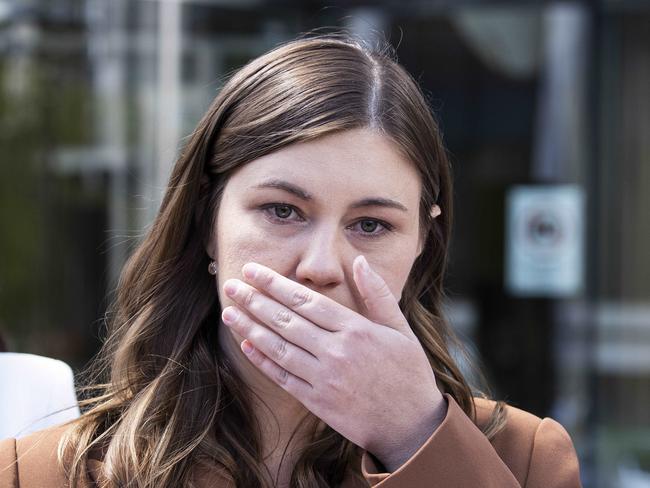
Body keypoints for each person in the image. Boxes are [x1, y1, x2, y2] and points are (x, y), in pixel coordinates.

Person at [0, 33, 582, 487]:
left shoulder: (525, 461)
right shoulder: (39, 472)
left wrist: (414, 438)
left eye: (371, 225)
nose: (320, 265)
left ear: (422, 245)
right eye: (283, 211)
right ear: (207, 223)